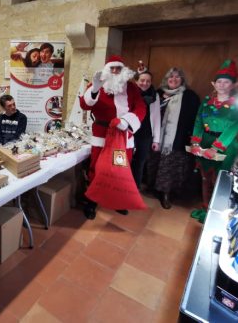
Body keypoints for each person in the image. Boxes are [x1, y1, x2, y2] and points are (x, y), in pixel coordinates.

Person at [79, 55, 146, 219]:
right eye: (112, 68)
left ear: (124, 71)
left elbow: (141, 107)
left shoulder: (131, 88)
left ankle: (117, 200)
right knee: (96, 168)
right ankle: (91, 201)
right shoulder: (97, 84)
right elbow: (84, 105)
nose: (115, 71)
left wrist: (126, 121)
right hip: (101, 136)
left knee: (120, 169)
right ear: (106, 69)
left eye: (119, 68)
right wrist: (94, 89)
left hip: (123, 137)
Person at [190, 60, 238, 219]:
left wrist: (216, 148)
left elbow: (234, 126)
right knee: (204, 177)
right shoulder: (206, 101)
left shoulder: (236, 103)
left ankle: (215, 213)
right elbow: (198, 120)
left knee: (218, 179)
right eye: (219, 81)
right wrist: (196, 141)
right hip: (204, 142)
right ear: (214, 83)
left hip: (226, 145)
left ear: (233, 85)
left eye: (226, 82)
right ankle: (205, 208)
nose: (222, 85)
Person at [146, 67, 200, 209]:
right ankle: (153, 188)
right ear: (166, 79)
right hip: (156, 137)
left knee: (169, 168)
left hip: (176, 139)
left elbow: (195, 119)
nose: (174, 79)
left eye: (177, 77)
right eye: (171, 77)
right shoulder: (157, 93)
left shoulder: (190, 96)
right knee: (154, 164)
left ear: (182, 80)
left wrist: (192, 138)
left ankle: (166, 194)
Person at [131, 70, 161, 189]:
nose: (145, 83)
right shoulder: (130, 93)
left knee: (140, 162)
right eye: (142, 80)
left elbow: (157, 117)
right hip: (131, 132)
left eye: (148, 81)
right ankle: (124, 187)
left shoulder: (155, 95)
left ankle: (135, 188)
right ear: (136, 81)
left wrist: (156, 140)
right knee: (127, 160)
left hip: (146, 133)